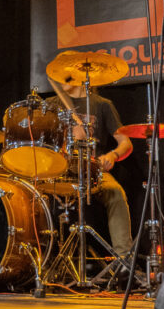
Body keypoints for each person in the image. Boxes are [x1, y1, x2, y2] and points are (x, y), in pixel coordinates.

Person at [47, 80, 136, 264]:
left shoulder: (102, 105)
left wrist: (112, 156)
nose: (59, 79)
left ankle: (124, 262)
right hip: (57, 170)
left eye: (65, 75)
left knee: (116, 193)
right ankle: (40, 259)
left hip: (92, 170)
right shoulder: (50, 105)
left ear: (79, 76)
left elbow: (126, 143)